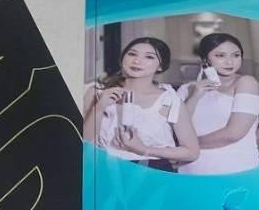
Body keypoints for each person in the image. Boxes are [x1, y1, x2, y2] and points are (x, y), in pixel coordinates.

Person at [82, 36, 199, 169]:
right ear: (122, 59)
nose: (137, 61)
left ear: (160, 66)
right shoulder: (97, 92)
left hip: (152, 172)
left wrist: (145, 150)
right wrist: (99, 108)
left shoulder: (169, 99)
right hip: (103, 169)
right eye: (132, 54)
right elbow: (83, 143)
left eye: (149, 57)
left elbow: (191, 152)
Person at [176, 33, 259, 175]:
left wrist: (187, 147)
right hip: (192, 168)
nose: (230, 62)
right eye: (220, 56)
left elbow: (234, 133)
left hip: (236, 168)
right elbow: (178, 131)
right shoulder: (187, 89)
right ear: (205, 58)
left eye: (236, 55)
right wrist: (194, 97)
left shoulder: (246, 83)